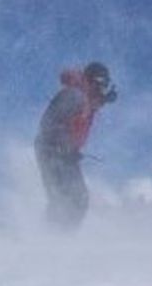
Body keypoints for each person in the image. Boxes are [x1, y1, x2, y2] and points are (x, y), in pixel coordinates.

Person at [35, 61, 118, 229]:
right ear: (95, 81)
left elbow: (90, 104)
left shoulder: (84, 97)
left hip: (63, 154)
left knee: (73, 198)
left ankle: (53, 235)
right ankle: (54, 237)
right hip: (53, 152)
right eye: (103, 85)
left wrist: (105, 100)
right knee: (71, 198)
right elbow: (49, 122)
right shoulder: (74, 95)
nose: (104, 89)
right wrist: (63, 146)